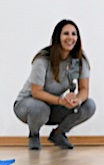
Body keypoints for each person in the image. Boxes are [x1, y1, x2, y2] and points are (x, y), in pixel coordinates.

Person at [13, 19, 96, 150]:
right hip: (29, 104)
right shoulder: (43, 59)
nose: (70, 37)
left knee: (89, 105)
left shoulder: (77, 60)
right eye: (66, 33)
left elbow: (84, 89)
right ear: (58, 37)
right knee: (40, 108)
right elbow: (36, 92)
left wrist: (76, 100)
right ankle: (34, 135)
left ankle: (58, 133)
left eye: (74, 34)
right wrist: (61, 101)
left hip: (54, 106)